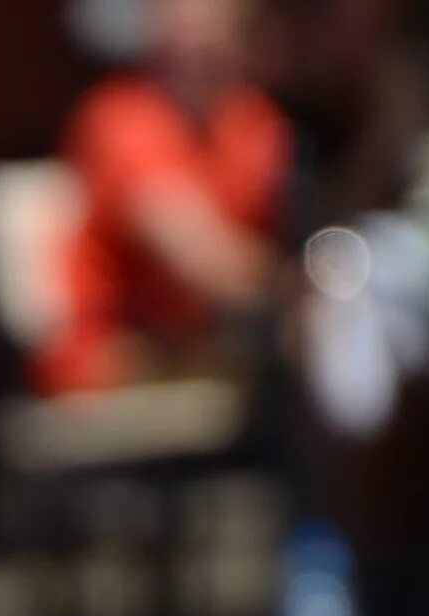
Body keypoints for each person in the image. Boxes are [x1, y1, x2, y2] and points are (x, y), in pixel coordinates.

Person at [39, 0, 291, 396]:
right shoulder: (120, 119)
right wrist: (306, 287)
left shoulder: (257, 123)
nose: (190, 45)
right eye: (177, 30)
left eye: (207, 31)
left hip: (219, 355)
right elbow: (202, 263)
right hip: (117, 362)